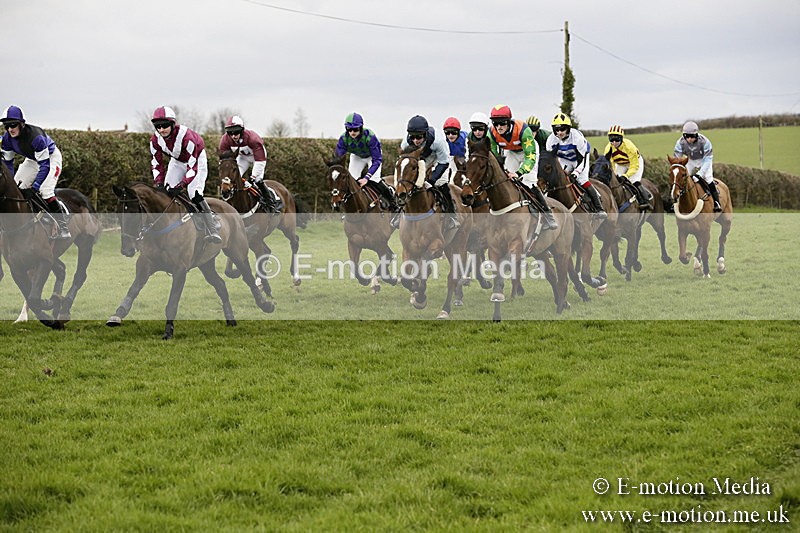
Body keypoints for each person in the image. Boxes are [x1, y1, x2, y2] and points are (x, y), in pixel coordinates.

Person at [149, 105, 221, 243]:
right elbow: (157, 164)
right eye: (158, 126)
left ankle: (212, 226)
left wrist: (181, 185)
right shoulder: (154, 141)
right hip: (176, 161)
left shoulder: (186, 137)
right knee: (166, 192)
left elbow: (192, 167)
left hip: (195, 160)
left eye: (164, 125)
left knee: (193, 193)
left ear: (172, 124)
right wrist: (158, 182)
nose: (161, 129)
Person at [0, 105, 71, 239]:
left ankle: (63, 226)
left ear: (21, 124)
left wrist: (35, 187)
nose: (10, 129)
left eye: (13, 125)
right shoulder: (7, 139)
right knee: (16, 188)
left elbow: (44, 166)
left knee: (45, 191)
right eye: (6, 126)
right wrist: (11, 182)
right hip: (33, 159)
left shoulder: (35, 137)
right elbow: (8, 164)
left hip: (50, 158)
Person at [488, 105, 558, 230]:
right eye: (495, 123)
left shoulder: (523, 130)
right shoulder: (491, 133)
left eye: (502, 123)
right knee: (506, 181)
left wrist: (519, 172)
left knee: (529, 182)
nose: (498, 127)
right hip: (511, 153)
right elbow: (493, 155)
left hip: (528, 153)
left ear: (509, 121)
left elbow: (530, 157)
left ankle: (547, 215)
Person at [400, 114, 458, 228]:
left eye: (419, 137)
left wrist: (431, 181)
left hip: (438, 159)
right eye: (413, 137)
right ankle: (399, 213)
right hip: (419, 159)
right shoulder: (406, 144)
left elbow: (444, 163)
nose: (416, 140)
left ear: (425, 134)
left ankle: (452, 215)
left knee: (441, 183)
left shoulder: (438, 141)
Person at [546, 113, 607, 219]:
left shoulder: (577, 138)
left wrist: (576, 173)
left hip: (580, 159)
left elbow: (582, 160)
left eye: (563, 129)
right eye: (557, 130)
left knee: (582, 180)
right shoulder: (551, 140)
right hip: (566, 159)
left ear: (568, 128)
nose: (559, 132)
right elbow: (551, 160)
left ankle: (599, 208)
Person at [333, 112, 396, 211]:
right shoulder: (344, 139)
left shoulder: (370, 137)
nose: (352, 132)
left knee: (374, 179)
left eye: (355, 129)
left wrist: (367, 177)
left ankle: (392, 201)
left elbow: (377, 160)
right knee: (351, 180)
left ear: (361, 128)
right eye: (349, 129)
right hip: (357, 156)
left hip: (372, 157)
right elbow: (338, 159)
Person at [218, 115, 277, 212]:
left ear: (241, 130)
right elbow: (224, 161)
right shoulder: (225, 140)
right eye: (230, 133)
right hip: (243, 158)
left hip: (258, 158)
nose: (233, 136)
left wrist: (251, 178)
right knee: (235, 178)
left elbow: (260, 161)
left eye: (236, 132)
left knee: (257, 180)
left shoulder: (253, 139)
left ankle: (270, 202)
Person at [674, 121, 721, 212]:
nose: (689, 139)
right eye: (687, 136)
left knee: (708, 179)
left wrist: (699, 174)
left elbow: (708, 159)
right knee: (681, 178)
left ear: (696, 135)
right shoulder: (679, 143)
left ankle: (716, 202)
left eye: (692, 136)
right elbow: (677, 159)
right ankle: (676, 202)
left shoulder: (705, 142)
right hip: (690, 160)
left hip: (704, 160)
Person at [603, 125, 651, 209]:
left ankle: (645, 200)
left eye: (617, 139)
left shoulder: (629, 147)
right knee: (615, 181)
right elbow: (611, 164)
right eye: (611, 139)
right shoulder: (608, 148)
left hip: (635, 163)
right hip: (620, 164)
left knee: (633, 181)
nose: (614, 142)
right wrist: (614, 174)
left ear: (621, 138)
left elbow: (634, 166)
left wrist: (626, 176)